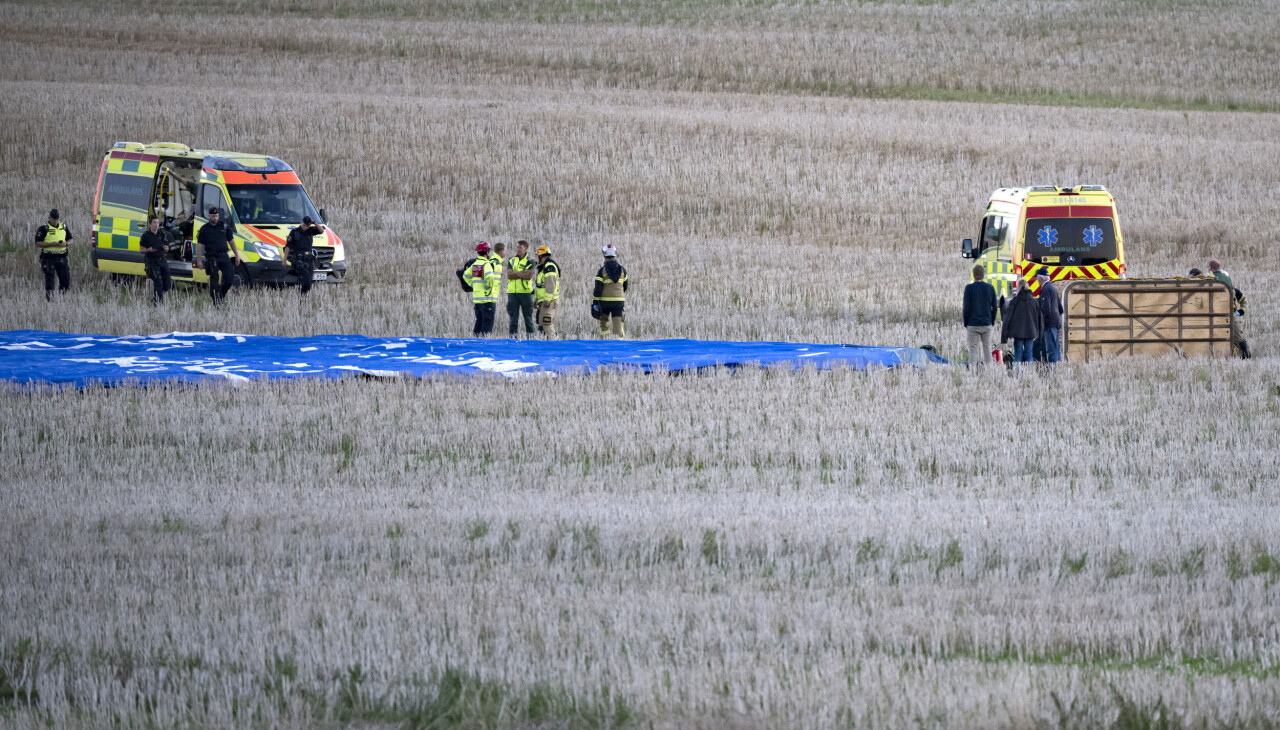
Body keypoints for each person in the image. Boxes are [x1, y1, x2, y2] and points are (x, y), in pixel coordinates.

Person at [197, 206, 242, 305]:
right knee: (214, 282)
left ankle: (221, 295)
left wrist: (237, 255)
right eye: (213, 216)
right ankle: (216, 302)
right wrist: (199, 260)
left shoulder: (224, 227)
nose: (215, 218)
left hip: (223, 256)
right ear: (209, 216)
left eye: (216, 216)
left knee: (229, 279)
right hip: (211, 257)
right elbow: (199, 245)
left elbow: (231, 241)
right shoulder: (204, 229)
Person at [962, 264, 998, 367]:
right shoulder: (990, 288)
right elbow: (994, 308)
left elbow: (966, 308)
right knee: (987, 348)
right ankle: (990, 371)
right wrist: (992, 321)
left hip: (972, 324)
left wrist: (966, 323)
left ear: (974, 275)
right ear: (983, 274)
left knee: (973, 349)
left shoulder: (969, 288)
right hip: (986, 323)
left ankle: (972, 372)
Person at [1000, 280, 1043, 364]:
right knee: (1029, 355)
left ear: (1018, 288)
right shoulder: (1034, 302)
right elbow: (1040, 319)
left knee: (1018, 355)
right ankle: (1030, 374)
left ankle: (1017, 375)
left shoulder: (1014, 302)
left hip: (1017, 333)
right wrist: (1040, 335)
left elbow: (1007, 319)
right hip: (1031, 333)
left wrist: (1004, 337)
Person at [34, 208, 73, 300]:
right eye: (54, 219)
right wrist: (53, 244)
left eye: (57, 219)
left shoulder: (63, 226)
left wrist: (66, 244)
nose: (55, 221)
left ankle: (62, 300)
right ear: (49, 218)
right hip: (49, 258)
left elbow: (71, 239)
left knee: (65, 281)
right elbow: (37, 243)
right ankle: (49, 301)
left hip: (62, 257)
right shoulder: (43, 228)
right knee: (50, 282)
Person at [593, 244, 629, 338]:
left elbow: (598, 288)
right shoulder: (622, 270)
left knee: (604, 322)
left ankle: (605, 342)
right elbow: (625, 285)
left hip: (605, 302)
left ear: (604, 255)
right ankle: (620, 343)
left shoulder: (602, 271)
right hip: (619, 302)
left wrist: (595, 302)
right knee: (618, 323)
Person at [284, 216, 326, 295]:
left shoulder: (310, 231)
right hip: (298, 260)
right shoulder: (294, 232)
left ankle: (304, 296)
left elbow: (321, 231)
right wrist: (284, 259)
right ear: (301, 222)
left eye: (307, 226)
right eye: (304, 225)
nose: (305, 227)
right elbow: (288, 246)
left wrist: (314, 222)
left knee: (309, 281)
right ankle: (302, 296)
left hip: (309, 260)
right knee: (306, 279)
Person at [139, 216, 172, 305]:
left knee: (167, 284)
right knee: (158, 283)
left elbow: (167, 247)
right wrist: (148, 250)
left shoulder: (162, 234)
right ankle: (158, 304)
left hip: (163, 260)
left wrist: (166, 248)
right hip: (152, 261)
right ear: (150, 224)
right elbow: (141, 250)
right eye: (154, 223)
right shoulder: (146, 236)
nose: (156, 225)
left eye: (157, 223)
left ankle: (155, 299)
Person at [506, 239, 536, 335]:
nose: (518, 249)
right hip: (512, 293)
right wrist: (522, 273)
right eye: (517, 247)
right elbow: (509, 275)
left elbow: (528, 276)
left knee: (528, 318)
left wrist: (515, 273)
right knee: (513, 318)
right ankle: (512, 340)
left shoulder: (530, 261)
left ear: (526, 249)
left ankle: (530, 339)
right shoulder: (511, 260)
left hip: (525, 293)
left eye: (520, 247)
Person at [468, 242, 499, 335]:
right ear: (487, 251)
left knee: (479, 322)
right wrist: (488, 287)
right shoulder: (486, 264)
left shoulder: (475, 265)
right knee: (487, 324)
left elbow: (465, 276)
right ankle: (485, 344)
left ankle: (475, 342)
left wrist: (473, 285)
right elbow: (490, 277)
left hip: (477, 299)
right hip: (487, 298)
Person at [1035, 269, 1063, 363]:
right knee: (1056, 347)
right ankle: (1058, 367)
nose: (1036, 279)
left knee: (1051, 349)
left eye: (1037, 277)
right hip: (1055, 321)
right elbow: (1060, 307)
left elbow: (1046, 309)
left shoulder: (1045, 289)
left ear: (1040, 278)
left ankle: (1053, 370)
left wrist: (1044, 323)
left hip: (1049, 323)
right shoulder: (1053, 288)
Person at [534, 244, 560, 336]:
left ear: (541, 256)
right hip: (544, 302)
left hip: (549, 302)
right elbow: (540, 287)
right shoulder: (544, 267)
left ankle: (555, 345)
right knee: (544, 325)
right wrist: (537, 300)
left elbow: (550, 284)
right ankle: (548, 346)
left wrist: (547, 299)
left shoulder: (549, 267)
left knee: (547, 325)